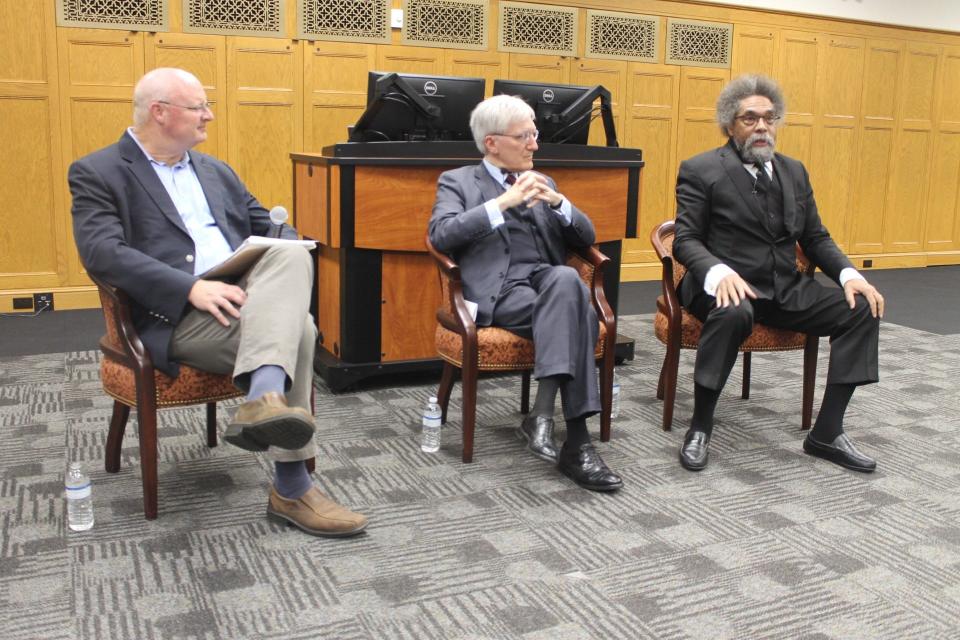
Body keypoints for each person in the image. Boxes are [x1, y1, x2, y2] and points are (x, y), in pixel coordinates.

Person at [69, 68, 367, 536]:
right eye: (198, 107)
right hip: (173, 315)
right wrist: (187, 287)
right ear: (160, 112)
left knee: (291, 254)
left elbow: (266, 224)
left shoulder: (215, 169)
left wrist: (290, 241)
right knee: (303, 330)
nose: (209, 115)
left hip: (241, 302)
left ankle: (262, 400)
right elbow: (102, 253)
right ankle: (291, 484)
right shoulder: (98, 171)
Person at [673, 74, 884, 473]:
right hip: (719, 286)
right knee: (733, 311)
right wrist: (717, 271)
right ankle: (700, 426)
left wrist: (850, 276)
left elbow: (816, 237)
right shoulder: (701, 169)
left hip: (783, 287)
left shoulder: (794, 172)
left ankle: (826, 433)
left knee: (860, 308)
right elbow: (685, 239)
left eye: (769, 118)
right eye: (750, 119)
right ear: (730, 125)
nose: (762, 127)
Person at [428, 94, 622, 491]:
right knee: (579, 309)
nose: (535, 144)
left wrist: (559, 203)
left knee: (566, 282)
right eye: (525, 136)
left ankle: (546, 419)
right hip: (499, 293)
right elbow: (441, 234)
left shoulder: (544, 182)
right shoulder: (458, 181)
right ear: (492, 143)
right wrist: (503, 203)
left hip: (547, 283)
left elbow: (587, 237)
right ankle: (573, 439)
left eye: (535, 134)